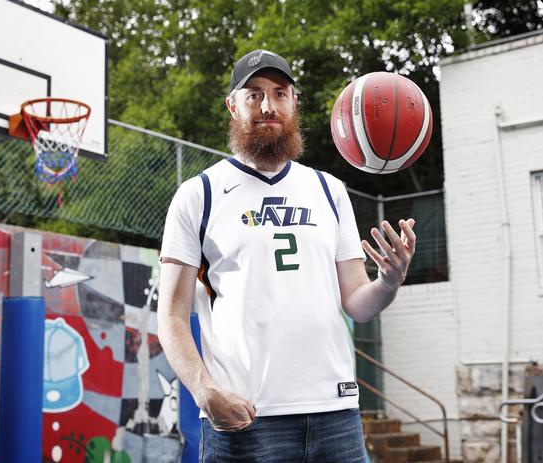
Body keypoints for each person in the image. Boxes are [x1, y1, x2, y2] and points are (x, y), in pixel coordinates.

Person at [157, 49, 416, 462]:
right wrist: (204, 392)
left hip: (336, 413)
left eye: (280, 93)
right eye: (254, 94)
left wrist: (388, 280)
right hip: (247, 416)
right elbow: (171, 316)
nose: (267, 105)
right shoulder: (198, 195)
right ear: (232, 105)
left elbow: (357, 304)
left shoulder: (329, 190)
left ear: (295, 102)